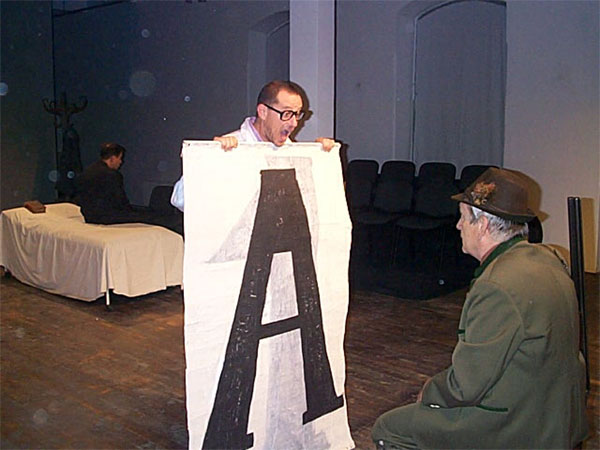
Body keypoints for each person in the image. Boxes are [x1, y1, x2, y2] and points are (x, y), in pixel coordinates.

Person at [372, 167, 588, 449]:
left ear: (483, 225)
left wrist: (430, 391)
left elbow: (466, 386)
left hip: (521, 424)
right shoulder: (548, 258)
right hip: (555, 412)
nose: (458, 226)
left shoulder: (497, 286)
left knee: (389, 428)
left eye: (463, 218)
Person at [170, 80, 336, 211]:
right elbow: (180, 199)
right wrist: (210, 160)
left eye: (297, 114)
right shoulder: (231, 147)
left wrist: (322, 158)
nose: (294, 123)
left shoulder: (293, 152)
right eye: (287, 113)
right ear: (263, 112)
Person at [76, 142, 183, 235]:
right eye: (119, 158)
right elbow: (120, 202)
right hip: (107, 216)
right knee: (149, 216)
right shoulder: (111, 175)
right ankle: (177, 225)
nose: (120, 162)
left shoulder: (87, 172)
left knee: (143, 212)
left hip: (90, 215)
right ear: (112, 158)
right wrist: (133, 213)